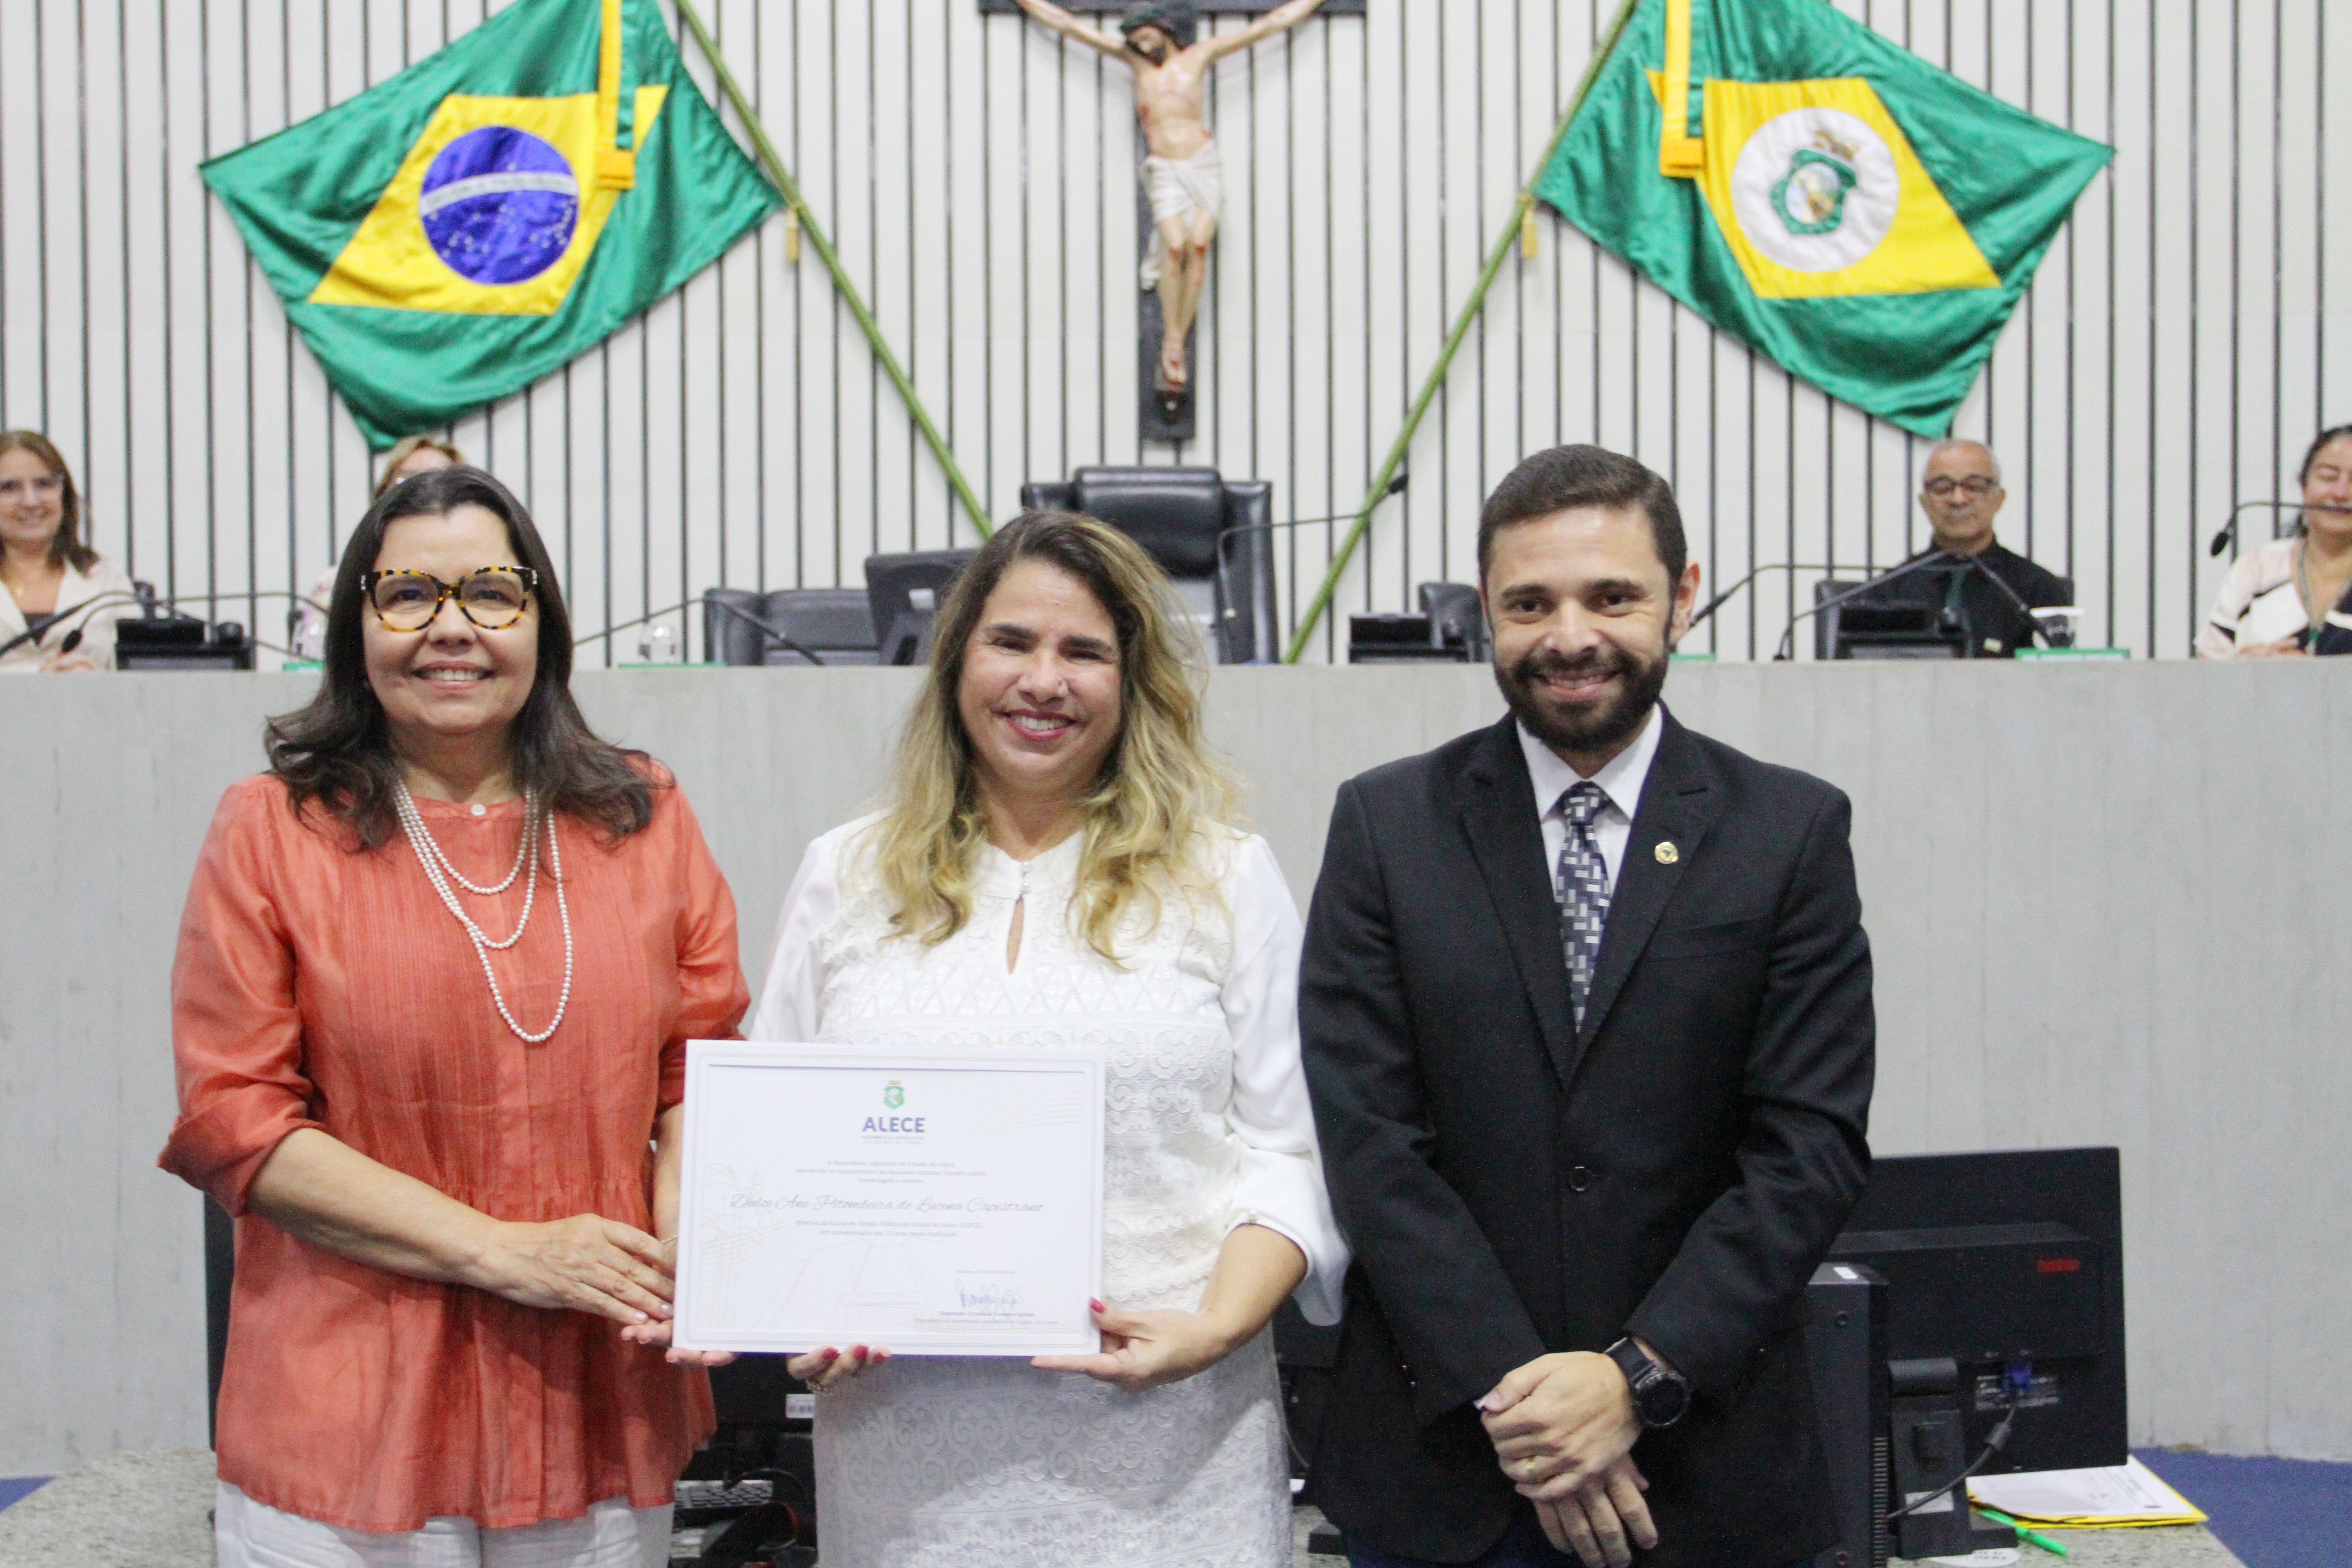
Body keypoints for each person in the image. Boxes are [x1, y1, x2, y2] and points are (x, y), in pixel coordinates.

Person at [159, 465, 748, 1568]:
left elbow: (701, 1073)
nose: (451, 627)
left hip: (596, 1388)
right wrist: (507, 1253)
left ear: (540, 619)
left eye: (489, 591)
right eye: (407, 595)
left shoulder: (643, 815)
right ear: (357, 627)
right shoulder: (273, 829)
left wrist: (684, 1244)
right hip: (349, 1412)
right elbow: (238, 1123)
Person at [1300, 445, 1876, 1568]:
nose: (1570, 637)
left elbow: (1809, 1145)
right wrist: (1529, 1407)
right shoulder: (1385, 825)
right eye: (1530, 603)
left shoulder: (1789, 831)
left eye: (1612, 596)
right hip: (1446, 1473)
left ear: (1682, 596)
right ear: (1485, 608)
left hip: (1705, 1472)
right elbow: (1368, 1141)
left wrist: (1636, 1376)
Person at [740, 510, 1347, 1568]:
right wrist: (798, 1302)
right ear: (955, 661)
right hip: (904, 1460)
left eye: (1083, 652)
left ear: (1133, 679)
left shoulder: (1223, 875)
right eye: (1011, 641)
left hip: (1171, 1449)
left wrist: (1216, 1325)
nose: (1042, 680)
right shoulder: (848, 873)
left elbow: (1290, 1146)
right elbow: (774, 1141)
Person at [1010, 0, 1328, 392]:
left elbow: (1269, 25)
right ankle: (1173, 338)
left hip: (1202, 164)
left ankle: (1176, 338)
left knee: (1199, 245)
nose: (1141, 45)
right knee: (1174, 247)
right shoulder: (1134, 63)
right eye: (1135, 40)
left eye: (1145, 36)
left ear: (1162, 28)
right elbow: (1066, 24)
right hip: (1164, 169)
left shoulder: (1200, 57)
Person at [1850, 439, 2072, 657]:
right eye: (1942, 488)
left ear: (1999, 499)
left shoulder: (2037, 588)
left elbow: (2058, 672)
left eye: (1974, 487)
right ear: (1924, 502)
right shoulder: (1888, 591)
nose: (1958, 500)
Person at [294, 438, 469, 660]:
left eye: (442, 482)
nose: (426, 494)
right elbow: (311, 663)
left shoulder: (486, 577)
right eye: (408, 482)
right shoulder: (336, 584)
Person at [2199, 424, 2352, 657]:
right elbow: (2207, 668)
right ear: (2303, 485)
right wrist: (2246, 666)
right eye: (2328, 477)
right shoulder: (2258, 568)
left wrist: (2311, 673)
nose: (2341, 493)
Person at [0, 431, 137, 672]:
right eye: (9, 487)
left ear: (64, 496)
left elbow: (137, 672)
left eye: (44, 484)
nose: (31, 501)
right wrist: (40, 676)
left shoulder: (104, 578)